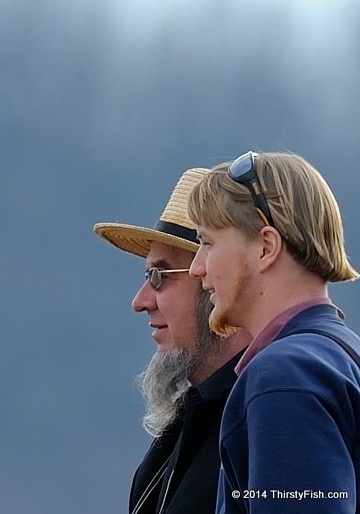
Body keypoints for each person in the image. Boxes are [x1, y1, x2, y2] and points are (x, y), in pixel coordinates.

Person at [188, 150, 360, 513]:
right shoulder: (342, 356)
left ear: (266, 248)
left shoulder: (284, 376)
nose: (196, 268)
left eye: (207, 243)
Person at [93, 167, 251, 514]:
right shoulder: (185, 426)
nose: (141, 301)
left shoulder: (272, 413)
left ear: (215, 279)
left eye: (159, 276)